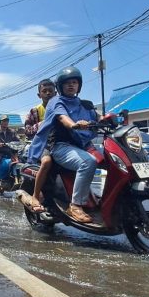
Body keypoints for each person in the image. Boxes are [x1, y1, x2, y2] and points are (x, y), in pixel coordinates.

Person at [28, 66, 97, 223]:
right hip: (52, 141)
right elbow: (62, 117)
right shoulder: (53, 103)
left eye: (74, 82)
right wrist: (74, 124)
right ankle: (37, 195)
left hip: (79, 143)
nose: (71, 85)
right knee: (47, 162)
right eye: (67, 83)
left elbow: (96, 116)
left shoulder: (83, 103)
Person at [22, 79, 58, 213]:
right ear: (39, 95)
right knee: (47, 162)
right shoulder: (35, 111)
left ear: (56, 92)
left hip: (63, 142)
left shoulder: (62, 105)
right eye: (44, 91)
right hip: (42, 145)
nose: (48, 93)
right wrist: (42, 124)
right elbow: (27, 131)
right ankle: (37, 196)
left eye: (51, 91)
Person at [0, 114, 18, 188]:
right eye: (4, 121)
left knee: (18, 159)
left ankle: (16, 179)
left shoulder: (12, 132)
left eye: (7, 121)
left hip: (10, 152)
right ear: (0, 122)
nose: (6, 122)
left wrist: (20, 145)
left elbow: (17, 141)